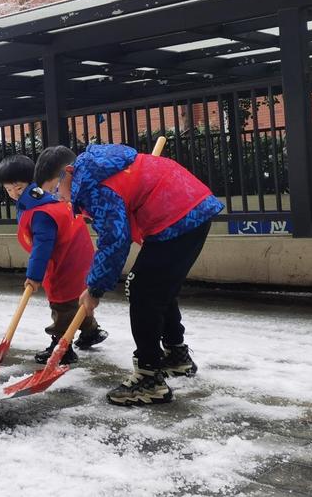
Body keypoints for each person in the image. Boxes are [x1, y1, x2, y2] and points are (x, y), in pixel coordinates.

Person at [41, 143, 223, 406]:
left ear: (68, 173)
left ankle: (149, 378)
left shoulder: (93, 185)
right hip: (190, 209)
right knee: (158, 288)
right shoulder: (101, 169)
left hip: (177, 216)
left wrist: (95, 289)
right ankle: (176, 356)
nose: (60, 198)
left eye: (56, 190)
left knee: (141, 289)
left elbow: (115, 240)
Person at [0, 154, 108, 366]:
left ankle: (61, 347)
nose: (14, 194)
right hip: (81, 259)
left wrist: (33, 276)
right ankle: (90, 331)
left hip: (66, 264)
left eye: (18, 188)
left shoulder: (41, 212)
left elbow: (42, 247)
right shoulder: (50, 200)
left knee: (62, 305)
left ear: (31, 182)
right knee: (76, 300)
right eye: (8, 190)